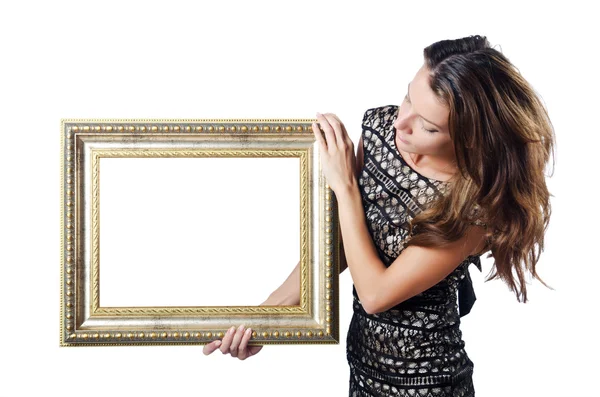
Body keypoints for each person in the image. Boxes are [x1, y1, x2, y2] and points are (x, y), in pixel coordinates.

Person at [203, 34, 555, 396]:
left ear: (468, 137)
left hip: (429, 382)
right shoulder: (379, 132)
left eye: (428, 127)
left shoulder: (472, 206)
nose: (401, 123)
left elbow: (376, 295)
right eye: (407, 97)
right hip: (363, 368)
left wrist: (346, 187)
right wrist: (267, 316)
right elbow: (342, 244)